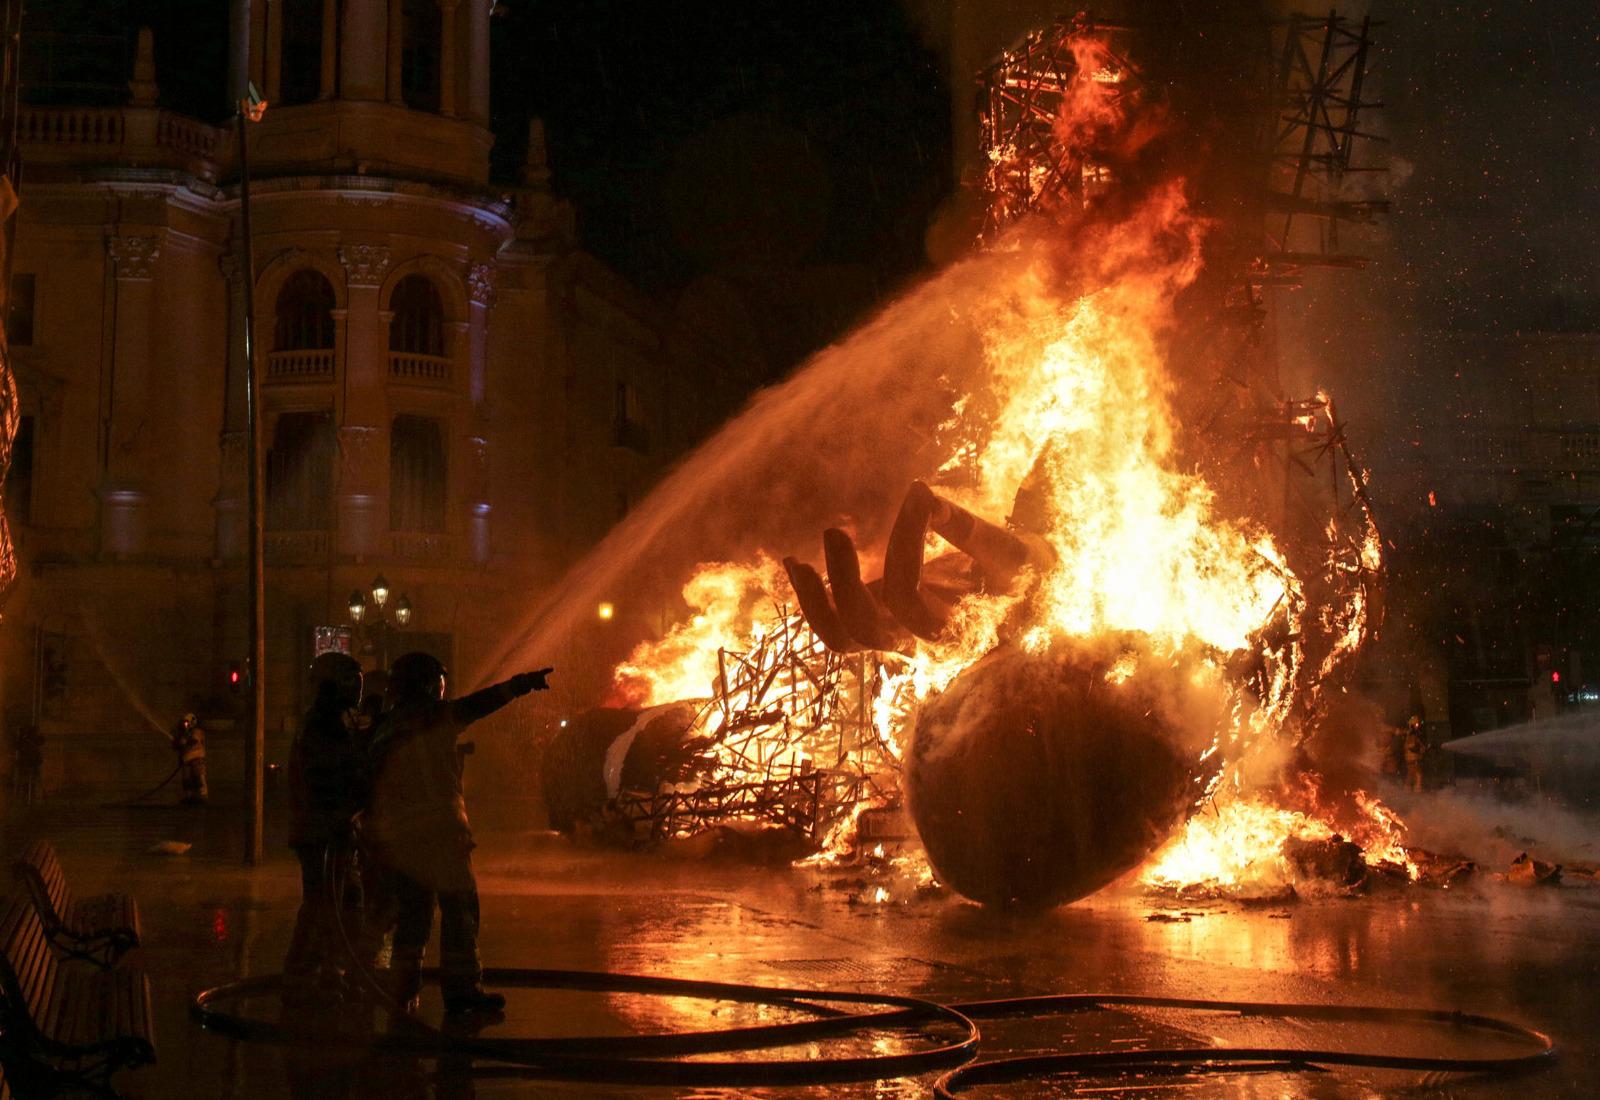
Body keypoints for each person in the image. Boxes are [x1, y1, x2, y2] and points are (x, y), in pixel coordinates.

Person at [365, 652, 552, 1018]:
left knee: (413, 916)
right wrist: (521, 684)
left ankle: (402, 990)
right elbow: (479, 704)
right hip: (441, 836)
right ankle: (463, 991)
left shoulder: (383, 729)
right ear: (430, 684)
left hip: (401, 841)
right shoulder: (435, 717)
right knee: (460, 911)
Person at [284, 653, 369, 995]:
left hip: (321, 829)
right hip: (325, 831)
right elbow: (332, 778)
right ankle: (308, 973)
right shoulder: (325, 726)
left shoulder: (326, 721)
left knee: (334, 901)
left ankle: (323, 971)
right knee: (328, 903)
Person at [170, 712, 208, 805]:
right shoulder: (184, 734)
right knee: (187, 779)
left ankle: (202, 796)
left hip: (196, 759)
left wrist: (184, 741)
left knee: (198, 777)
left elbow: (194, 740)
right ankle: (188, 796)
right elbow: (178, 746)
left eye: (186, 723)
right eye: (184, 723)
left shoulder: (196, 732)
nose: (185, 725)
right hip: (186, 760)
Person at [10, 723, 43, 805]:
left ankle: (27, 799)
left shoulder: (26, 743)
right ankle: (28, 799)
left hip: (27, 765)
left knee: (27, 783)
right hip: (30, 766)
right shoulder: (29, 743)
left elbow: (16, 745)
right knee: (29, 783)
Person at [1403, 715, 1426, 793]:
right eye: (1416, 724)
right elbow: (1411, 746)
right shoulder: (1411, 735)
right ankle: (1416, 790)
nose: (1418, 726)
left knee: (1412, 774)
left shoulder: (1413, 734)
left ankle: (1408, 789)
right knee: (1417, 774)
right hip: (1412, 758)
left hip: (1413, 758)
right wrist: (1419, 750)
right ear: (1412, 725)